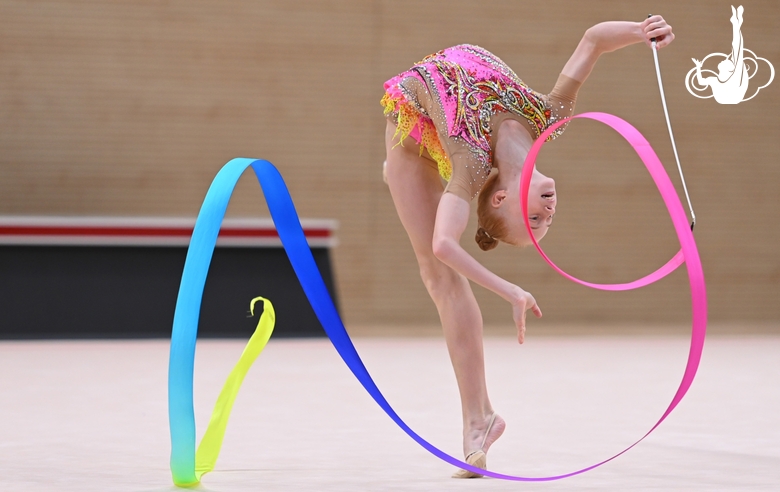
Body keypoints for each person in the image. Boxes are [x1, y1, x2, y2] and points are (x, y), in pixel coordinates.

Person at [381, 16, 674, 478]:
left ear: (500, 198)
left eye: (534, 221)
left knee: (439, 271)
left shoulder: (473, 165)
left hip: (408, 140)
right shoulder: (549, 119)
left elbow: (443, 243)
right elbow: (594, 39)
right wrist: (642, 31)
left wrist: (509, 290)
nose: (548, 214)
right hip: (420, 125)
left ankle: (478, 421)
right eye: (546, 222)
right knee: (440, 275)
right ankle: (481, 419)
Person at [692, 5, 747, 104]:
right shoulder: (714, 80)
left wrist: (736, 25)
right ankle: (736, 23)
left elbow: (737, 48)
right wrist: (698, 67)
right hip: (726, 98)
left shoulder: (735, 77)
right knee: (736, 50)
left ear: (729, 69)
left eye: (727, 61)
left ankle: (736, 23)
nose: (725, 59)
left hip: (733, 96)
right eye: (728, 60)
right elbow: (701, 82)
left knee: (737, 50)